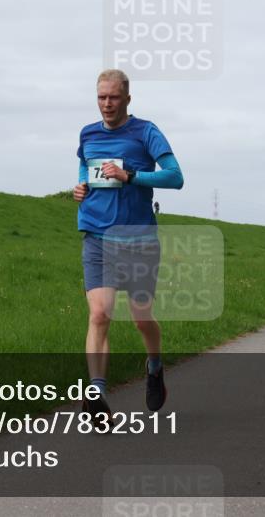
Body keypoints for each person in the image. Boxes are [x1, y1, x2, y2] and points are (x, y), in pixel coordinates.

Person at [73, 69, 184, 425]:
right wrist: (80, 188)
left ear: (127, 99)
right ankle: (96, 392)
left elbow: (175, 176)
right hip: (97, 236)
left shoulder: (145, 132)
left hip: (138, 240)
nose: (107, 104)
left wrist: (131, 176)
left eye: (114, 97)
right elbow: (84, 167)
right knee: (100, 313)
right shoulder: (88, 133)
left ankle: (154, 366)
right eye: (102, 97)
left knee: (141, 318)